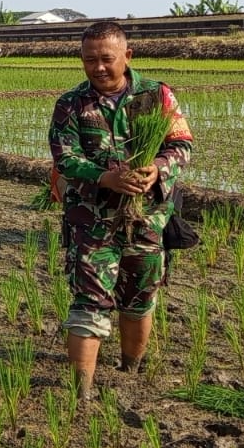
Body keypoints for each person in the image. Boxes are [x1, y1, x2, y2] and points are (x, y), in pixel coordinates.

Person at [48, 21, 194, 396]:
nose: (98, 67)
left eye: (106, 59)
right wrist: (104, 178)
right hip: (93, 222)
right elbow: (65, 159)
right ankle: (82, 392)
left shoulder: (156, 96)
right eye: (89, 60)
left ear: (127, 56)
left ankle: (130, 369)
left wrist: (156, 170)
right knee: (89, 300)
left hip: (147, 218)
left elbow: (181, 145)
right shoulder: (71, 104)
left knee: (140, 297)